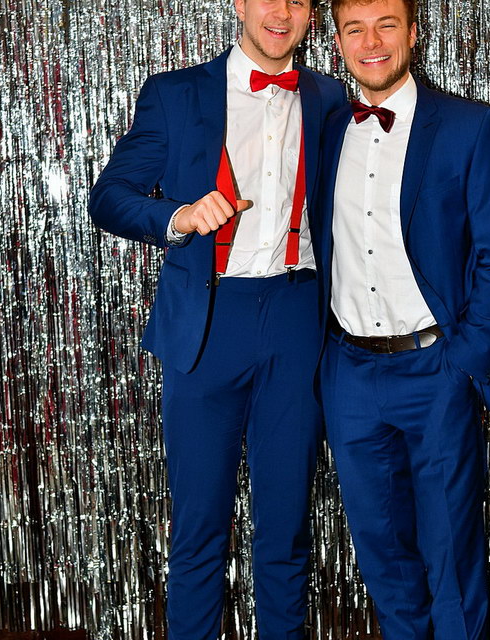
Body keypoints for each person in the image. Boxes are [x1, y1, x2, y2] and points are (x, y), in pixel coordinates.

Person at [89, 0, 346, 637]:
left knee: (285, 527)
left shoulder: (329, 98)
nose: (281, 12)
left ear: (311, 15)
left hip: (296, 319)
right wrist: (175, 217)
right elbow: (109, 197)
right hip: (207, 325)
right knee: (200, 527)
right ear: (239, 3)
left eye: (297, 0)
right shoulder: (175, 94)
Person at [315, 0, 490, 638]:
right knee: (382, 557)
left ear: (413, 32)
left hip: (436, 368)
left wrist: (465, 359)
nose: (371, 42)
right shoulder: (327, 129)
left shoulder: (471, 127)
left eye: (386, 25)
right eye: (355, 29)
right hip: (348, 372)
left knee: (451, 556)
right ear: (338, 41)